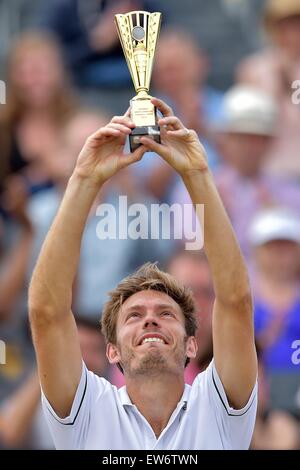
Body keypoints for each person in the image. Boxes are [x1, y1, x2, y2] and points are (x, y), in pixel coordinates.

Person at [28, 98, 257, 450]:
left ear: (192, 346)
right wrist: (85, 178)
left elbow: (235, 300)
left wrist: (196, 173)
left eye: (166, 314)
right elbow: (46, 311)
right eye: (134, 316)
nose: (151, 321)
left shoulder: (218, 406)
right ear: (112, 351)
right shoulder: (89, 408)